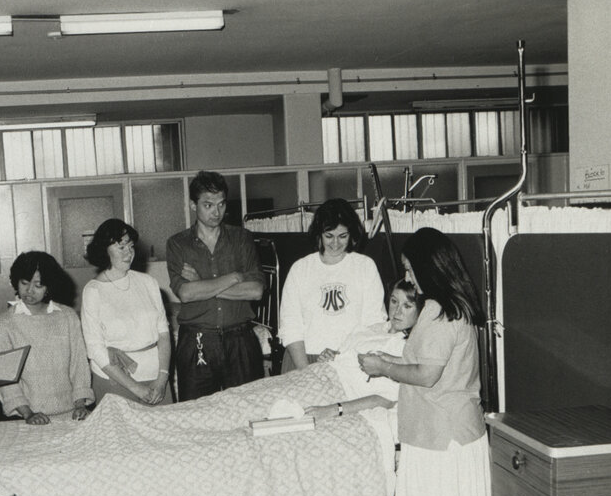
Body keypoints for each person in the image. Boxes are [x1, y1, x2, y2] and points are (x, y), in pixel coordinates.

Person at [358, 227, 490, 496]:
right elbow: (433, 363)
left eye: (409, 269)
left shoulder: (438, 310)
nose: (407, 278)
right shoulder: (457, 305)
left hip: (441, 439)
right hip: (452, 432)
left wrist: (384, 368)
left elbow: (428, 374)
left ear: (426, 266)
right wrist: (388, 359)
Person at [0, 250, 94, 496]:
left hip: (68, 415)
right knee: (42, 485)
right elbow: (5, 377)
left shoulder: (66, 316)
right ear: (16, 283)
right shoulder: (4, 323)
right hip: (30, 419)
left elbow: (78, 363)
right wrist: (24, 411)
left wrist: (80, 402)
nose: (31, 291)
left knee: (71, 482)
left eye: (39, 284)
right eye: (25, 283)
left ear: (50, 287)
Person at [166, 170, 265, 401]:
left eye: (220, 204)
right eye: (208, 205)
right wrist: (233, 277)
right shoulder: (178, 244)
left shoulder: (242, 239)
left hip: (240, 338)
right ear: (193, 205)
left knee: (249, 409)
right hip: (198, 340)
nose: (216, 212)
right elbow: (187, 294)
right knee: (197, 415)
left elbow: (255, 291)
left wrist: (202, 283)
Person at [278, 198, 387, 373]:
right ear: (319, 235)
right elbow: (290, 326)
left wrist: (342, 356)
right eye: (329, 236)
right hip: (303, 359)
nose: (335, 243)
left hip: (349, 360)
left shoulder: (365, 266)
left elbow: (373, 325)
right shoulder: (301, 269)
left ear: (352, 234)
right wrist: (306, 371)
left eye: (342, 236)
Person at [82, 219, 173, 406]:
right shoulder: (93, 291)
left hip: (157, 380)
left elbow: (164, 334)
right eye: (121, 247)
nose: (128, 253)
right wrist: (135, 388)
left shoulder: (149, 283)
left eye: (131, 246)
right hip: (117, 381)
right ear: (104, 250)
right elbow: (95, 349)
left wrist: (162, 379)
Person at [304, 278, 422, 421]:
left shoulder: (406, 348)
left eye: (407, 306)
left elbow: (385, 400)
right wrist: (333, 356)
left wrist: (334, 409)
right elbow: (346, 358)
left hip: (337, 394)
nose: (397, 311)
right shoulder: (372, 329)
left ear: (420, 312)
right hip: (315, 376)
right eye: (394, 301)